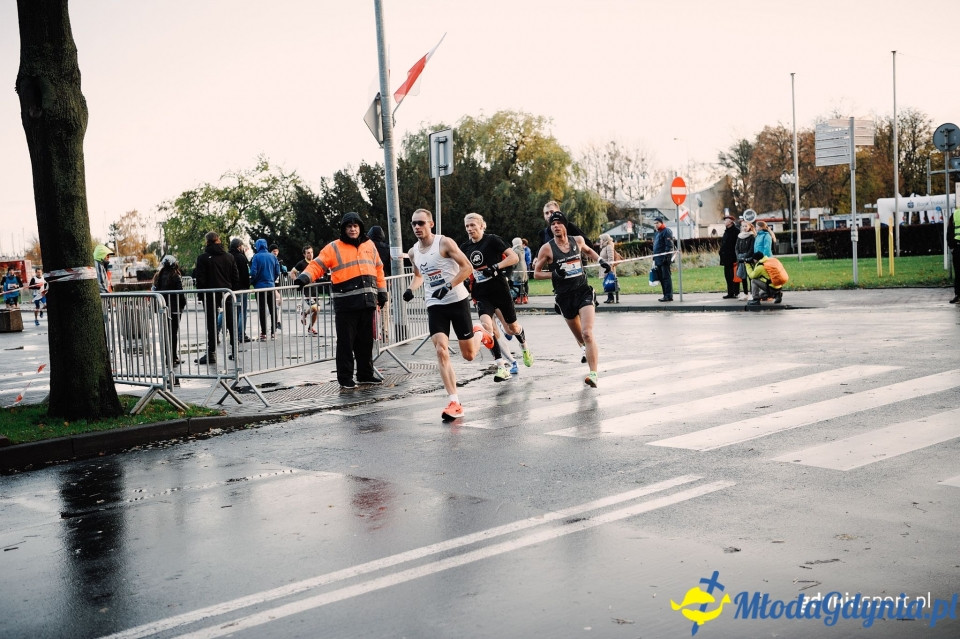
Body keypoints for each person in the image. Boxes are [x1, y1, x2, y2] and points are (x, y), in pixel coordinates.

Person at [400, 208, 494, 419]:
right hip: (435, 305)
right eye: (414, 223)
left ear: (431, 224)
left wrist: (448, 286)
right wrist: (410, 289)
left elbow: (467, 267)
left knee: (469, 355)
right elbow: (419, 275)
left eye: (421, 223)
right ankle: (454, 401)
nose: (417, 227)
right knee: (441, 350)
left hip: (457, 300)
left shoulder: (444, 243)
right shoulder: (414, 251)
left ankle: (481, 333)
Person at [295, 212, 388, 389]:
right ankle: (345, 379)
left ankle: (365, 374)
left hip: (367, 302)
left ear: (360, 227)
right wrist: (304, 278)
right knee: (346, 344)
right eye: (349, 226)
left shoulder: (370, 245)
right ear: (344, 229)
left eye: (355, 226)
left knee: (366, 342)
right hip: (346, 305)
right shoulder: (334, 247)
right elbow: (317, 265)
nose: (352, 229)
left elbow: (379, 269)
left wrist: (382, 293)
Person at [534, 211, 609, 388]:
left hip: (583, 291)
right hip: (564, 297)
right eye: (552, 224)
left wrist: (601, 261)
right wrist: (555, 273)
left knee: (587, 333)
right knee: (581, 339)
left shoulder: (578, 241)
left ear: (565, 225)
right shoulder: (547, 248)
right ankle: (585, 350)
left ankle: (593, 374)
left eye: (559, 223)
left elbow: (589, 250)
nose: (555, 226)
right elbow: (536, 274)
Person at [460, 213, 533, 382]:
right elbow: (461, 267)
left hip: (500, 290)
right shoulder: (465, 248)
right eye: (467, 226)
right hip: (481, 293)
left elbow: (513, 257)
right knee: (487, 327)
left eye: (473, 225)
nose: (470, 229)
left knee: (511, 329)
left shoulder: (492, 240)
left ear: (481, 225)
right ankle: (501, 366)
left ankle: (524, 346)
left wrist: (495, 267)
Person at [193, 231, 239, 364]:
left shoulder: (202, 258)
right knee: (231, 322)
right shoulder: (229, 257)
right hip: (227, 293)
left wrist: (201, 295)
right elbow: (235, 277)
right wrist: (232, 290)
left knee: (211, 324)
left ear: (207, 242)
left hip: (210, 294)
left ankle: (211, 352)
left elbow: (200, 280)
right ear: (218, 240)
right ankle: (234, 351)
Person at [153, 255, 188, 365]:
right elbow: (180, 293)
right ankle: (173, 358)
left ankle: (169, 357)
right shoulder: (175, 276)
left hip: (163, 308)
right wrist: (183, 304)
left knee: (166, 333)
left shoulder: (158, 276)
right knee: (173, 333)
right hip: (174, 308)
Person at [250, 238, 281, 341]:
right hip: (271, 285)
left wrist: (253, 282)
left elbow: (253, 272)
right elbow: (277, 271)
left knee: (262, 310)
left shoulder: (256, 257)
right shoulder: (273, 257)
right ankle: (273, 331)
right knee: (273, 309)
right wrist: (271, 279)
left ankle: (264, 332)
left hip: (260, 287)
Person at [228, 238, 252, 342]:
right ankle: (241, 334)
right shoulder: (241, 258)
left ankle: (219, 329)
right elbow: (245, 274)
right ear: (239, 246)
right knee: (242, 312)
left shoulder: (228, 256)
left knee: (229, 311)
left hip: (230, 288)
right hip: (241, 288)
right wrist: (247, 285)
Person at [652, 217, 675, 302]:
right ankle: (665, 295)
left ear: (661, 223)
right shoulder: (657, 233)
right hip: (658, 259)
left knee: (666, 278)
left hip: (664, 259)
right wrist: (654, 258)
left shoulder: (666, 231)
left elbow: (669, 245)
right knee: (661, 278)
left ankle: (668, 295)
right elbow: (656, 246)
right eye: (654, 223)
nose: (656, 225)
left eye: (657, 223)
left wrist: (667, 257)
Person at [719, 215, 740, 299]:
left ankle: (735, 292)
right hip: (726, 257)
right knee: (727, 275)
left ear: (731, 222)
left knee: (734, 275)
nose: (724, 222)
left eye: (726, 220)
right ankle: (730, 292)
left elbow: (736, 245)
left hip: (733, 257)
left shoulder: (736, 231)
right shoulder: (726, 231)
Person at [735, 221, 757, 300]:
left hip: (748, 259)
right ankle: (745, 293)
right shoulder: (739, 236)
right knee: (743, 277)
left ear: (749, 227)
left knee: (750, 276)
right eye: (743, 226)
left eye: (746, 226)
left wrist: (745, 256)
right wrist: (738, 256)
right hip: (741, 259)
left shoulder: (752, 237)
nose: (744, 228)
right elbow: (736, 247)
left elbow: (751, 249)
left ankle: (752, 293)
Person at [598, 233, 620, 304]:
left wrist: (610, 268)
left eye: (601, 239)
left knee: (609, 282)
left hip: (608, 268)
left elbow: (611, 258)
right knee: (607, 282)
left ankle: (611, 298)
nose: (600, 241)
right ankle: (609, 297)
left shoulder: (609, 247)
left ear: (604, 240)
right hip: (604, 268)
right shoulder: (604, 247)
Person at [511, 237, 529, 304]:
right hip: (523, 268)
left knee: (517, 285)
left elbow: (514, 261)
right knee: (522, 285)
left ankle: (520, 298)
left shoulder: (515, 251)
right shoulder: (522, 250)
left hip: (518, 269)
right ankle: (524, 298)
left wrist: (511, 267)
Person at [949, 206, 959, 304]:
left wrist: (952, 247)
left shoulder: (955, 214)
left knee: (958, 272)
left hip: (957, 247)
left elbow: (949, 232)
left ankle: (958, 295)